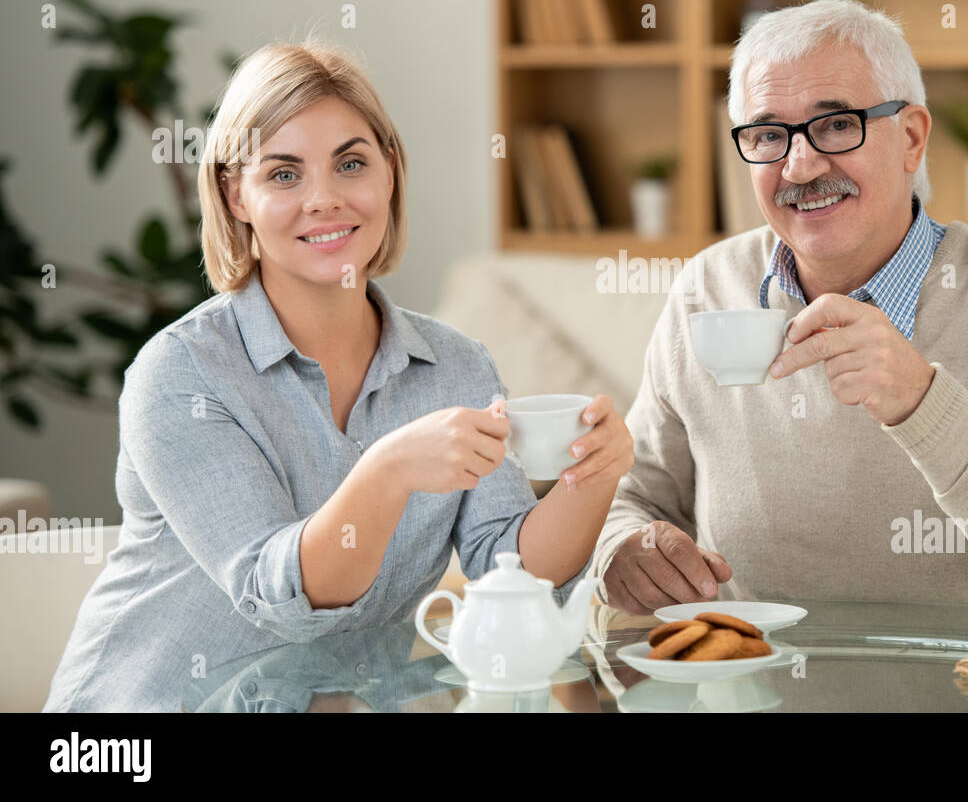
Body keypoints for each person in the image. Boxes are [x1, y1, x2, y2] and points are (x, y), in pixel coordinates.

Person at [44, 40, 632, 712]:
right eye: (285, 174)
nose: (323, 200)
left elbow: (515, 567)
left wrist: (594, 475)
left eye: (350, 164)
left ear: (389, 174)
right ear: (237, 194)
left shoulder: (458, 367)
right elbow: (282, 598)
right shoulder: (182, 375)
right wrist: (388, 472)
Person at [593, 0, 968, 628]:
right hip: (748, 692)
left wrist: (923, 403)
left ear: (911, 139)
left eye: (836, 125)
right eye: (769, 135)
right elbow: (635, 496)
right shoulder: (705, 290)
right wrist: (620, 553)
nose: (800, 165)